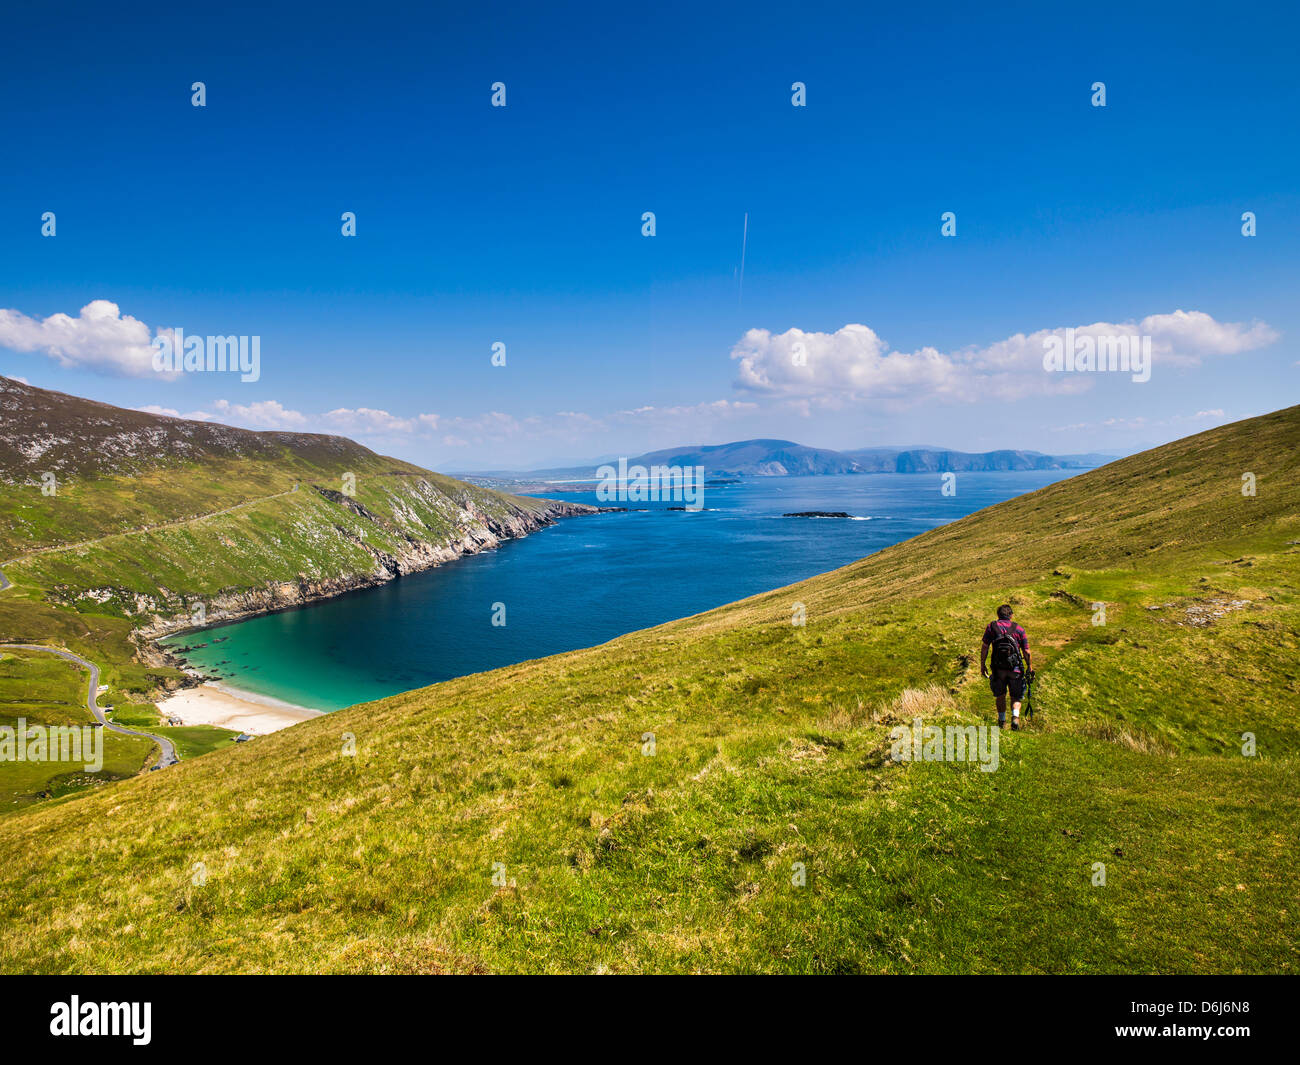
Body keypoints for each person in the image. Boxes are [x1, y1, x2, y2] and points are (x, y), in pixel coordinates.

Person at [980, 604, 1031, 730]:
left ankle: (1002, 721)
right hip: (1015, 669)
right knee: (1016, 696)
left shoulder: (991, 627)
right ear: (1011, 615)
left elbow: (985, 647)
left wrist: (982, 664)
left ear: (998, 615)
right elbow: (1026, 651)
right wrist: (1030, 666)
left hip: (998, 669)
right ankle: (1015, 717)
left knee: (1000, 695)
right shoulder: (1019, 629)